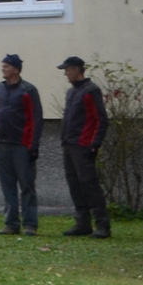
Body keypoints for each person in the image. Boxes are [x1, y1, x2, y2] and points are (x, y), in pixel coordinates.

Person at [0, 52, 43, 234]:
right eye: (3, 66)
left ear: (16, 70)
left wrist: (33, 145)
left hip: (22, 145)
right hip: (1, 144)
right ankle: (11, 223)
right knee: (8, 186)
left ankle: (30, 224)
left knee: (27, 185)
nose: (2, 69)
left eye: (6, 66)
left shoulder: (28, 90)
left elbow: (35, 119)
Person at [57, 56, 111, 238]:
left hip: (83, 145)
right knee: (74, 185)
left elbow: (101, 119)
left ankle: (102, 225)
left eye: (67, 70)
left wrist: (95, 144)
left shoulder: (91, 90)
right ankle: (83, 224)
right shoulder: (71, 92)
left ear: (76, 69)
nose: (65, 73)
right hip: (69, 144)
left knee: (90, 185)